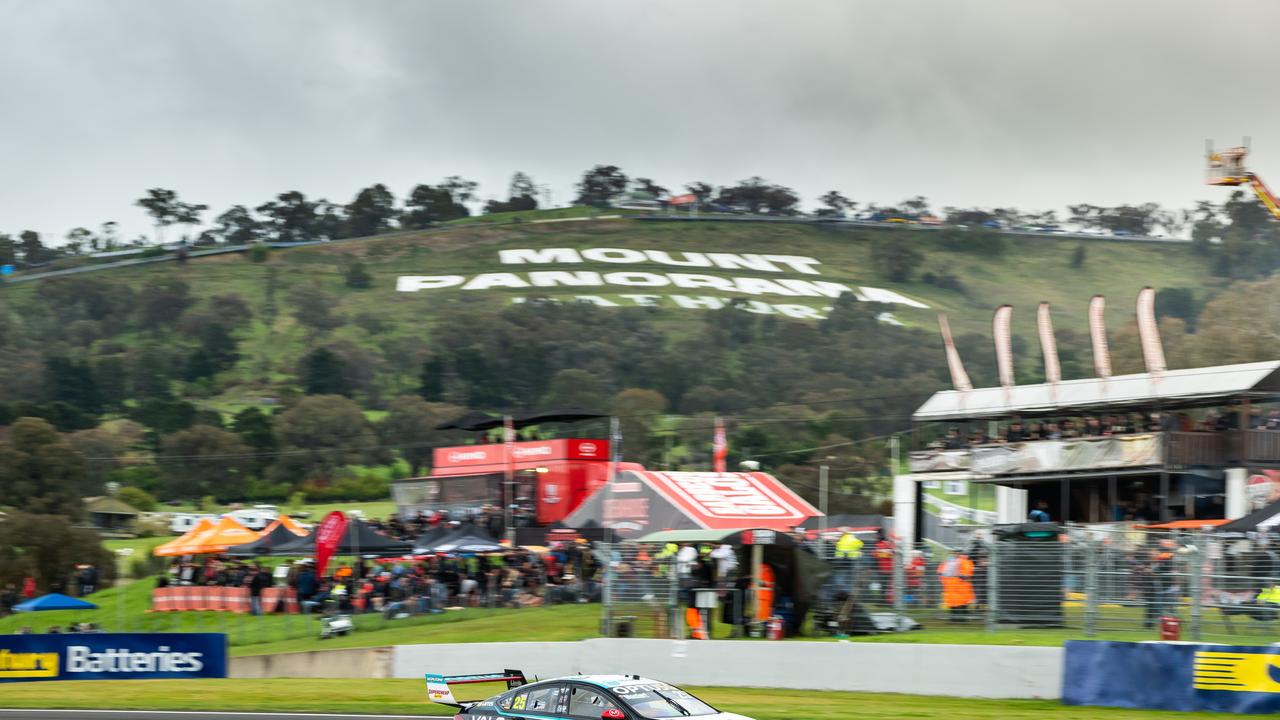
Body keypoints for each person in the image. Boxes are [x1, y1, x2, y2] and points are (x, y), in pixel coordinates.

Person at [938, 552, 975, 621]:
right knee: (961, 602)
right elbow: (968, 574)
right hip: (961, 585)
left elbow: (940, 573)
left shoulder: (948, 561)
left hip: (951, 585)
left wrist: (944, 582)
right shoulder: (965, 561)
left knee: (954, 602)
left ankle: (954, 618)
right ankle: (961, 618)